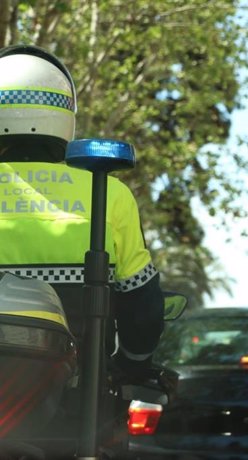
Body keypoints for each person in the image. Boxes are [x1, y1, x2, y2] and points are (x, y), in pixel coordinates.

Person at [0, 44, 164, 379]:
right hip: (77, 399)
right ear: (63, 115)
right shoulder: (108, 191)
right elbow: (141, 302)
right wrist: (133, 364)